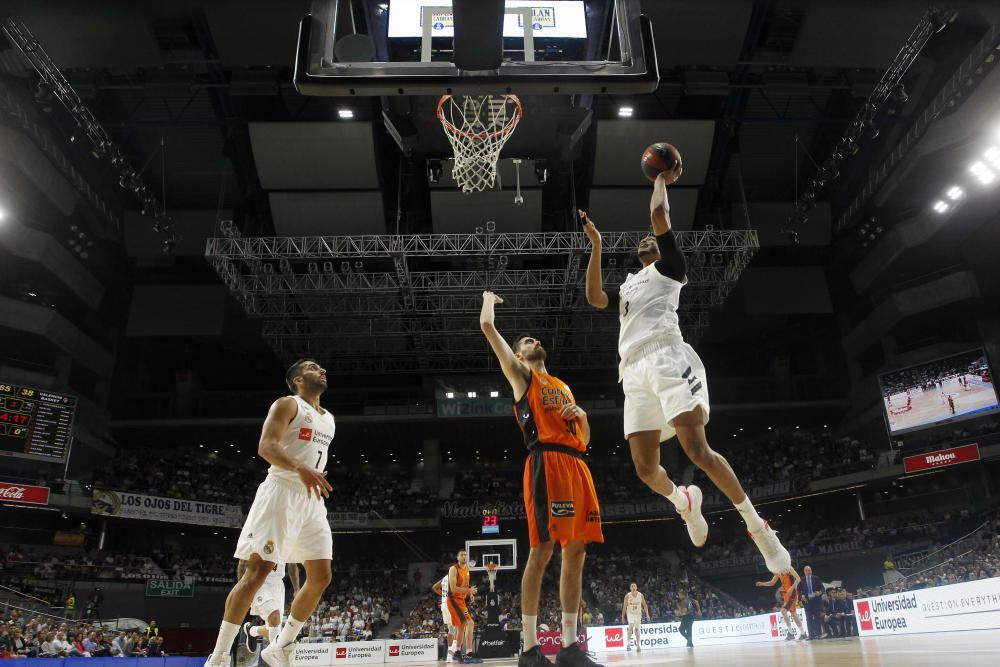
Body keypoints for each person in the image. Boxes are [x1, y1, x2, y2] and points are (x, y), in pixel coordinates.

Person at [581, 172, 790, 575]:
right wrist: (597, 245)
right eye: (642, 240)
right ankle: (684, 502)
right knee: (644, 469)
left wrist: (660, 177)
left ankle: (757, 526)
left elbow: (658, 211)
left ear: (660, 250)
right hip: (633, 372)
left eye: (651, 239)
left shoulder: (671, 269)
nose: (645, 239)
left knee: (697, 449)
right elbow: (593, 297)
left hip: (668, 358)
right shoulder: (627, 287)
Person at [479, 291, 604, 667]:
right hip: (545, 463)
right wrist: (488, 300)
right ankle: (529, 649)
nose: (535, 341)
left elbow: (584, 439)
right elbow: (487, 326)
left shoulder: (563, 385)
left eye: (536, 339)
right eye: (527, 341)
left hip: (576, 464)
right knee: (543, 550)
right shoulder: (522, 376)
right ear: (518, 355)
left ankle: (568, 647)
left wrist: (582, 416)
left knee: (577, 550)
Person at [204, 359, 335, 667]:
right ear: (298, 379)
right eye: (314, 367)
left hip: (311, 499)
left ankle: (282, 645)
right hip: (281, 492)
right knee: (257, 572)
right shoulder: (287, 404)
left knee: (321, 575)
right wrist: (301, 468)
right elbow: (266, 446)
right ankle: (220, 656)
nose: (322, 370)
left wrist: (309, 472)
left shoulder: (328, 418)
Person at [242, 561, 302, 649]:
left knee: (273, 627)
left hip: (278, 585)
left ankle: (252, 630)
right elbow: (242, 564)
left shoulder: (288, 547)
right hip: (259, 581)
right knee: (274, 615)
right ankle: (275, 655)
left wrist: (297, 589)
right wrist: (243, 589)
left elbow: (292, 564)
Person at [443, 550, 480, 663]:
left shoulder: (467, 569)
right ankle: (467, 652)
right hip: (453, 601)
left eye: (465, 555)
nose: (464, 557)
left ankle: (458, 653)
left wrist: (469, 594)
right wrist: (469, 590)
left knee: (462, 627)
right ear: (457, 557)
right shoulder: (453, 569)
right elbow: (453, 588)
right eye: (461, 555)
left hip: (461, 601)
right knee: (468, 623)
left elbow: (465, 584)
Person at [756, 567, 804, 640]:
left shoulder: (788, 568)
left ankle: (791, 633)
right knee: (793, 613)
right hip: (787, 595)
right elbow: (772, 583)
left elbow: (798, 578)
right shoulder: (779, 572)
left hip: (792, 593)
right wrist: (762, 584)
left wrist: (792, 588)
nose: (772, 573)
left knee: (783, 611)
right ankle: (803, 633)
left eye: (772, 571)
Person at [431, 569, 460, 662]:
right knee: (459, 627)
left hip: (444, 604)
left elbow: (434, 587)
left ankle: (449, 655)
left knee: (451, 629)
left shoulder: (444, 578)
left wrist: (443, 595)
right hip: (451, 604)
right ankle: (452, 651)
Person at [797, 565, 825, 640]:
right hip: (807, 602)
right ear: (804, 572)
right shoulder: (802, 580)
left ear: (811, 571)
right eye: (806, 570)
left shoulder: (816, 578)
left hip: (816, 601)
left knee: (817, 618)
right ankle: (811, 635)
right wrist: (801, 597)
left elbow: (822, 588)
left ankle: (819, 634)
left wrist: (819, 592)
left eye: (809, 570)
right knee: (808, 618)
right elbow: (798, 590)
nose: (808, 572)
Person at [620, 583, 649, 651]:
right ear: (630, 588)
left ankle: (638, 645)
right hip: (630, 613)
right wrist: (622, 616)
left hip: (638, 613)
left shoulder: (640, 595)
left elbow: (644, 605)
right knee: (630, 626)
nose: (633, 587)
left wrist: (647, 614)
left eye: (634, 586)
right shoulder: (627, 596)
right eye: (632, 586)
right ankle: (628, 644)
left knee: (636, 629)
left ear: (636, 587)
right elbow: (624, 606)